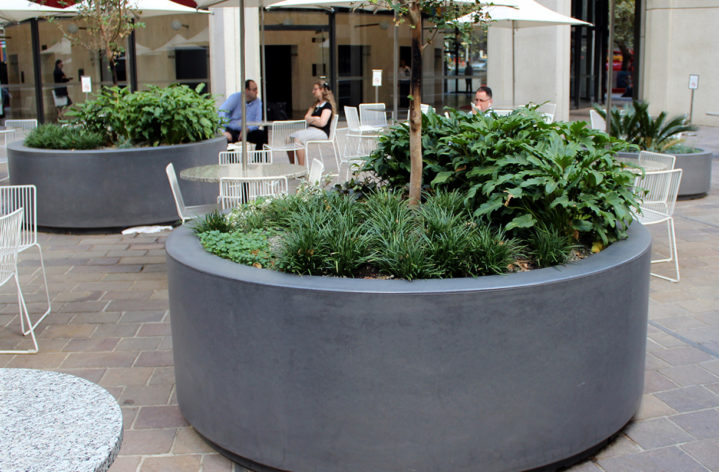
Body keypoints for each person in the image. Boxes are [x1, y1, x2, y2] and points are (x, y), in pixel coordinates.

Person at [288, 81, 336, 167]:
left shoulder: (327, 106)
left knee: (298, 139)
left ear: (321, 90)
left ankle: (301, 168)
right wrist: (316, 118)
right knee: (289, 138)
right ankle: (292, 166)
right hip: (311, 129)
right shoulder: (315, 105)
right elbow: (306, 118)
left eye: (315, 89)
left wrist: (312, 119)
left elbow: (322, 123)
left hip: (322, 132)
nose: (313, 91)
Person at [218, 79, 267, 150]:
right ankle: (232, 160)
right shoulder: (235, 98)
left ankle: (258, 159)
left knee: (261, 135)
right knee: (226, 138)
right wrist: (223, 131)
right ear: (246, 90)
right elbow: (222, 111)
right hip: (232, 129)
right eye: (254, 90)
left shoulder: (258, 102)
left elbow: (257, 122)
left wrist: (247, 129)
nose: (257, 92)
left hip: (247, 131)